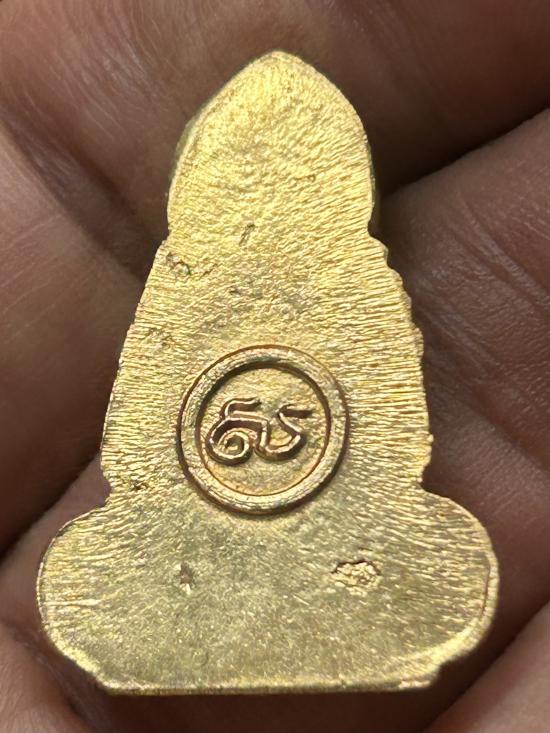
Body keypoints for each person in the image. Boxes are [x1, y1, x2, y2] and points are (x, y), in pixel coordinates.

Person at [0, 2, 548, 732]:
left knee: (444, 560)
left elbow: (388, 440)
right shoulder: (189, 279)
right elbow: (141, 446)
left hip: (341, 556)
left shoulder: (353, 280)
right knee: (91, 579)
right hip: (190, 562)